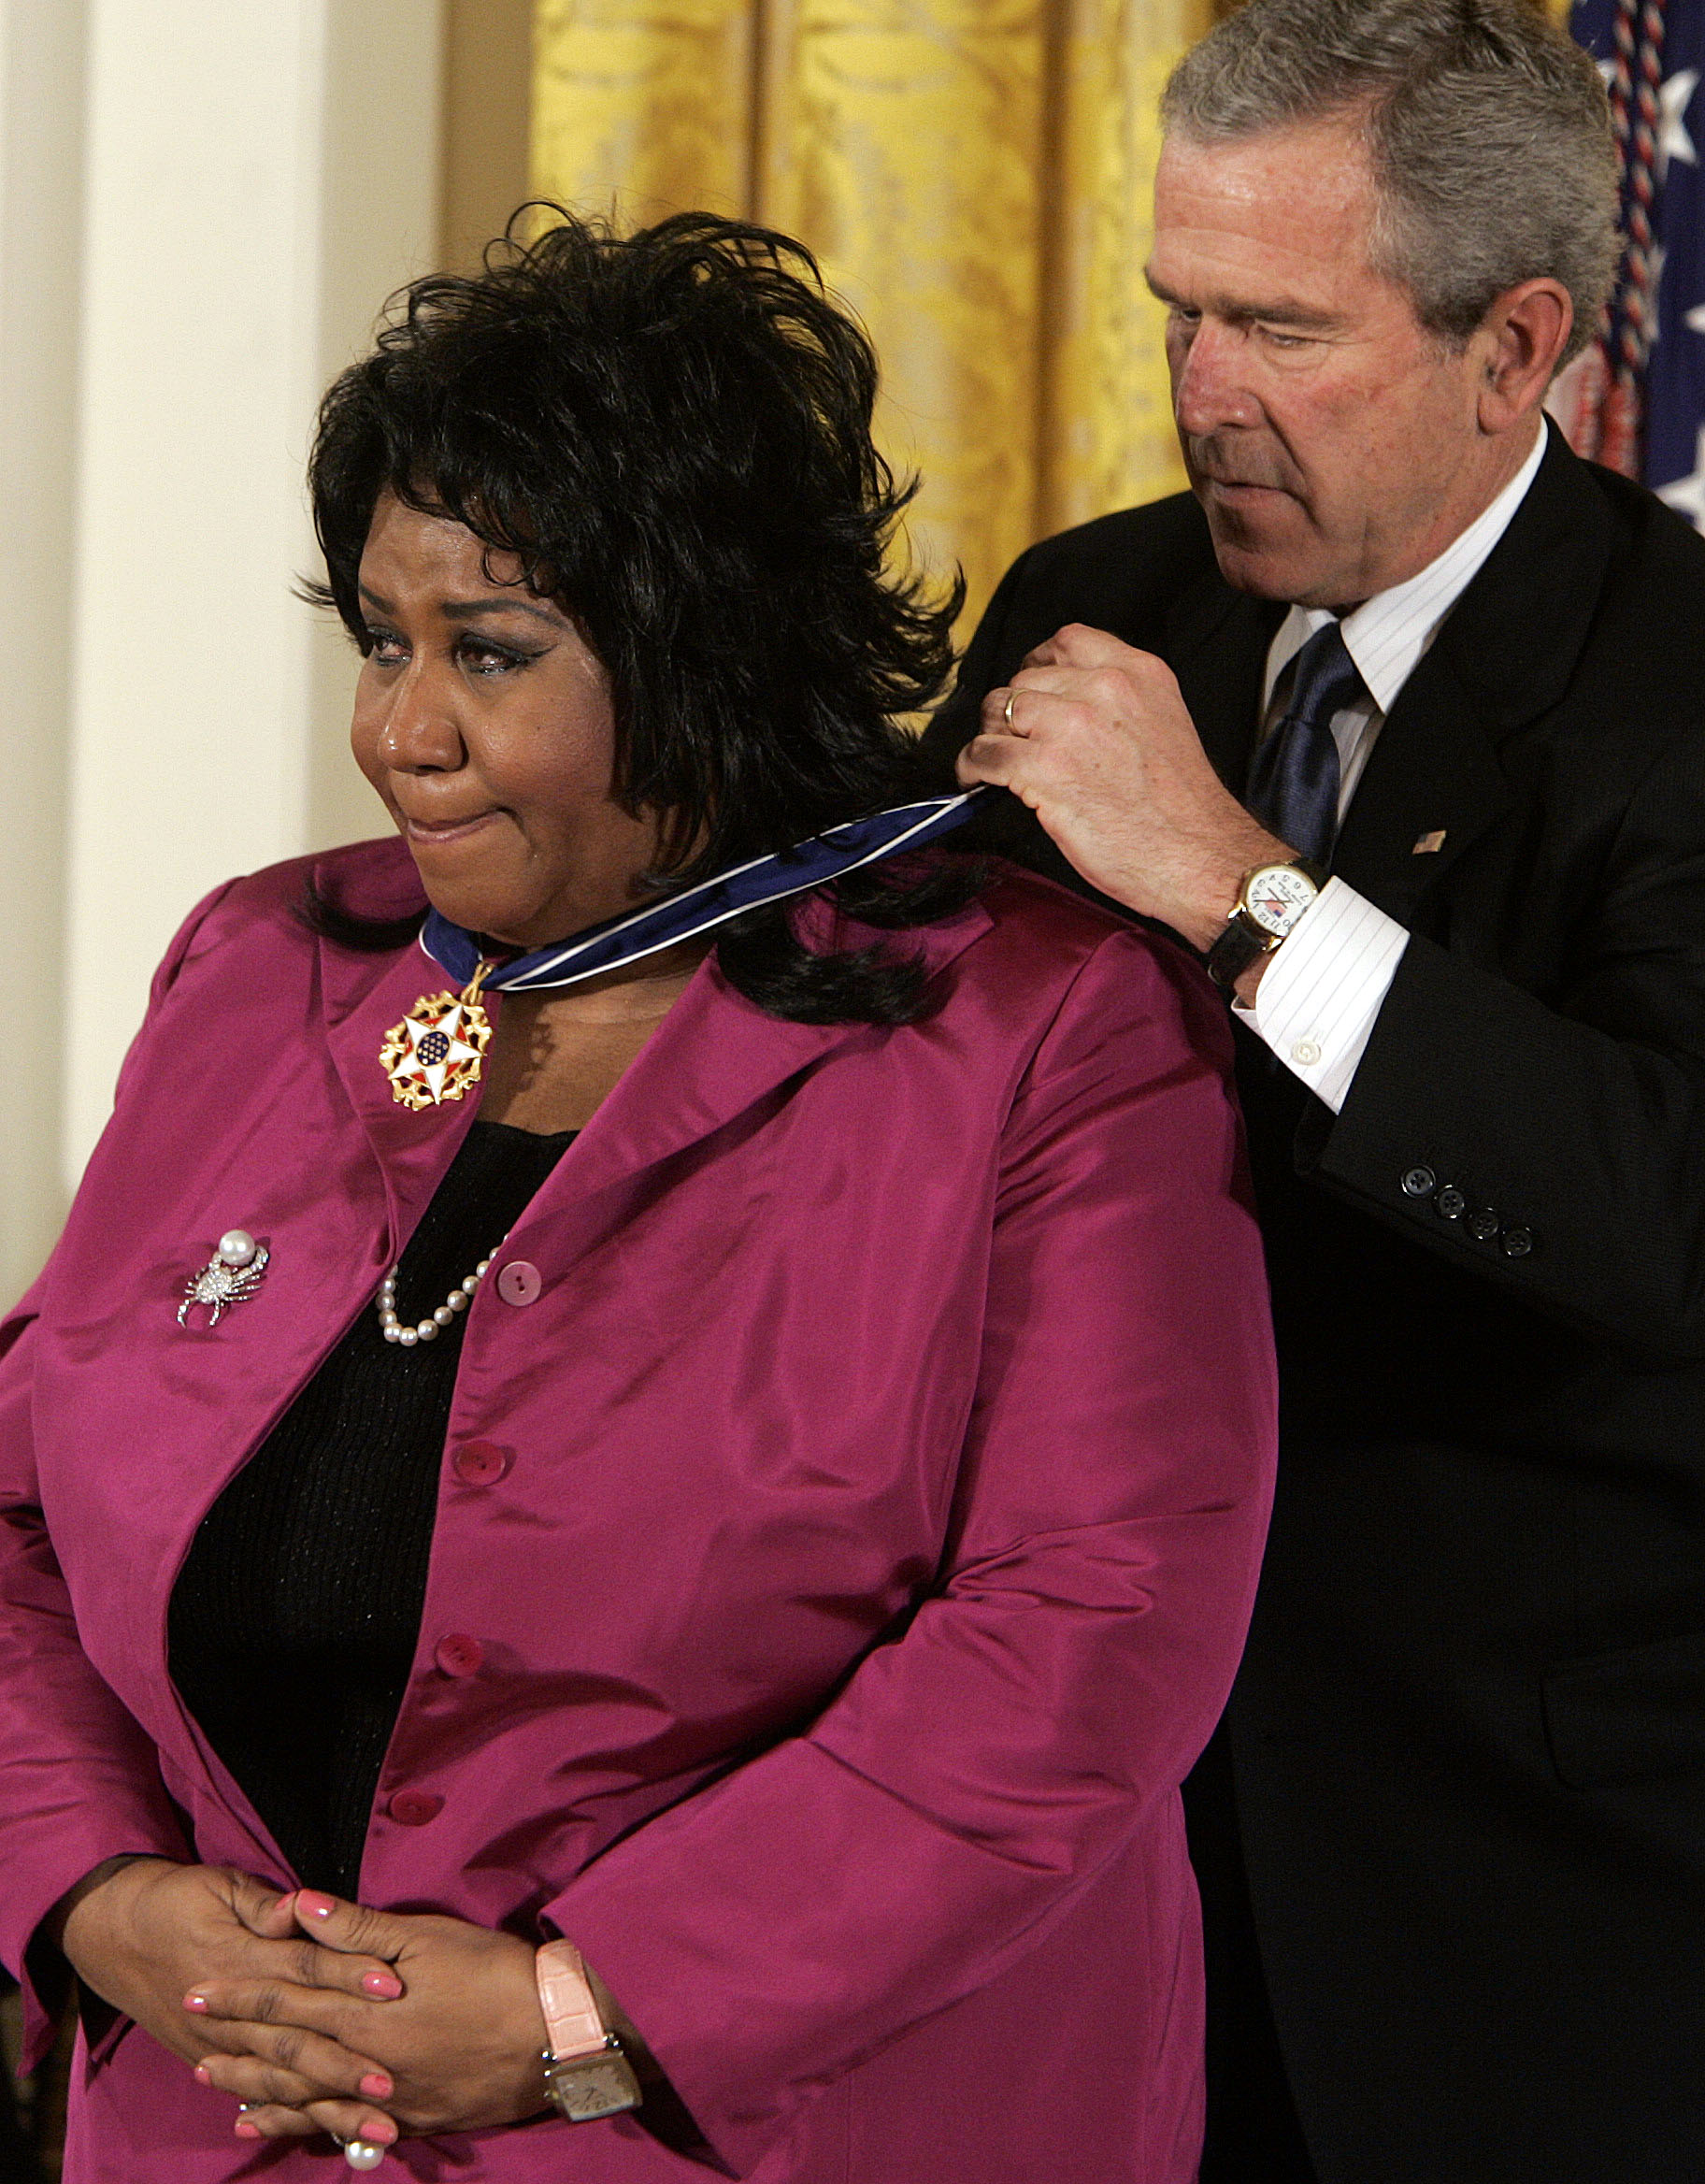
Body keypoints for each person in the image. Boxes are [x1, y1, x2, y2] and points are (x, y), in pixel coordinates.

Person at [0, 210, 1275, 2182]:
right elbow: (15, 1515)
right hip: (219, 2120)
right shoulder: (262, 966)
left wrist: (574, 2016)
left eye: (489, 655)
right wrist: (96, 1896)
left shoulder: (1052, 1033)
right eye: (381, 642)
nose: (399, 734)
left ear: (702, 654)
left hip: (780, 2128)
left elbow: (1092, 1634)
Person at [916, 3, 1705, 2180]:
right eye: (1182, 313)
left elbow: (1665, 1209)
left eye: (1279, 327)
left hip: (1513, 1890)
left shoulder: (1672, 682)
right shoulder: (1096, 606)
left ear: (1513, 343)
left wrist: (1247, 894)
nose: (1201, 395)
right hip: (1075, 1837)